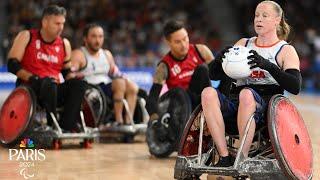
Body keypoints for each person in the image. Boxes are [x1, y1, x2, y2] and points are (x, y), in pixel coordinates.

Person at [202, 0, 302, 167]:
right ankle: (224, 156)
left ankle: (242, 157)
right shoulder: (243, 44)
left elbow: (295, 86)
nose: (258, 19)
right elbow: (215, 75)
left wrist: (267, 65)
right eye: (256, 15)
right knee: (207, 93)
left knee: (246, 94)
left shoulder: (285, 50)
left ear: (277, 20)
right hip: (236, 101)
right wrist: (219, 60)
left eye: (264, 16)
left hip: (265, 107)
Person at [7, 5, 87, 132]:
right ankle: (51, 125)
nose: (61, 27)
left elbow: (66, 72)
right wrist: (33, 78)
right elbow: (12, 64)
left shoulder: (64, 43)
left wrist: (73, 76)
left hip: (53, 88)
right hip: (31, 86)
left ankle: (66, 126)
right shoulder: (27, 36)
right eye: (57, 23)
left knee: (79, 84)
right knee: (48, 83)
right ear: (45, 22)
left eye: (62, 23)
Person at [70, 23, 139, 126]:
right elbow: (70, 74)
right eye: (93, 36)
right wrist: (75, 74)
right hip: (90, 88)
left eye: (100, 36)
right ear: (85, 38)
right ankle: (118, 121)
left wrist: (126, 79)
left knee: (132, 87)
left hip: (107, 86)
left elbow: (116, 72)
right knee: (119, 83)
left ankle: (128, 122)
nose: (98, 40)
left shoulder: (106, 54)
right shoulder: (79, 54)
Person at [146, 20, 216, 120]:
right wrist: (155, 118)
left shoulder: (201, 50)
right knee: (180, 91)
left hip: (203, 99)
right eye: (178, 42)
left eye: (185, 39)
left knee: (202, 70)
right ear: (168, 43)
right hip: (181, 107)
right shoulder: (163, 66)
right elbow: (152, 99)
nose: (183, 45)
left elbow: (219, 75)